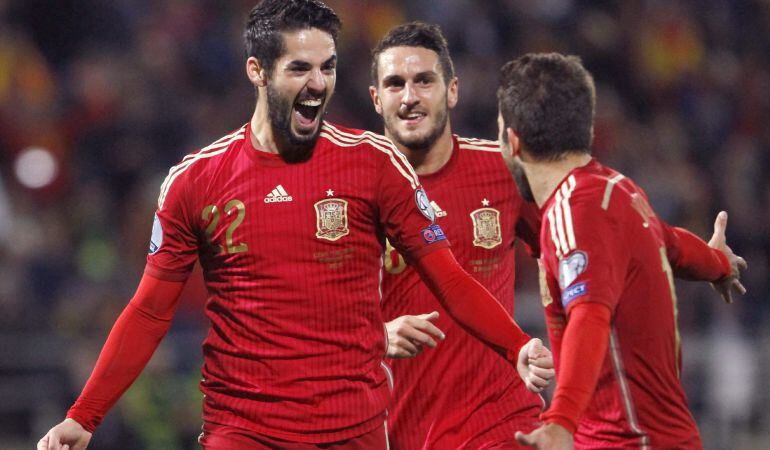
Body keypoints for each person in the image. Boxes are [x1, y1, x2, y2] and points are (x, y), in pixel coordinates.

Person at [37, 2, 554, 450]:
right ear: (257, 72)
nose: (317, 83)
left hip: (352, 429)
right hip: (242, 429)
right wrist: (86, 414)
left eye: (327, 68)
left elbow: (451, 279)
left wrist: (516, 346)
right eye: (299, 68)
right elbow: (150, 311)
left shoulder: (374, 164)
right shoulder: (196, 181)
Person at [494, 53, 748, 449]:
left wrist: (560, 422)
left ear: (513, 141)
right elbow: (672, 244)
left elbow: (589, 315)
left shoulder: (574, 210)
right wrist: (717, 262)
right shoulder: (618, 191)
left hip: (626, 441)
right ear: (587, 128)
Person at [368, 22, 549, 449]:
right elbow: (310, 320)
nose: (410, 97)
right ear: (377, 99)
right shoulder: (348, 194)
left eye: (424, 81)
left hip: (504, 425)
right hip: (401, 430)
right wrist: (378, 335)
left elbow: (577, 244)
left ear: (452, 91)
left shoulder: (506, 172)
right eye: (395, 84)